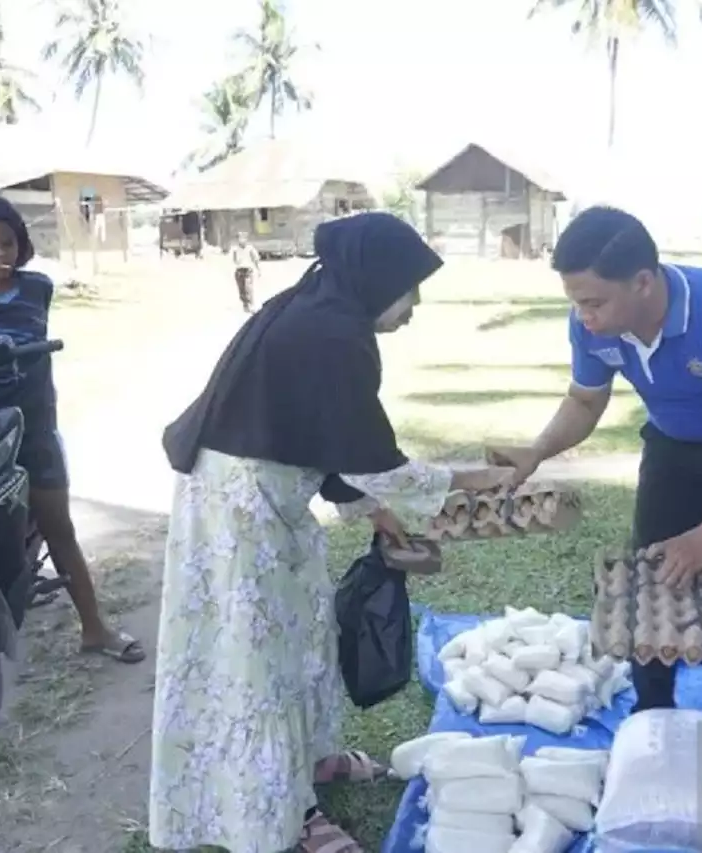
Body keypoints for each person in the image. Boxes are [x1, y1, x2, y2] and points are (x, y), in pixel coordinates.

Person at [150, 211, 516, 853]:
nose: (415, 305)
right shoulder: (328, 332)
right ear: (378, 279)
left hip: (273, 494)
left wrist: (376, 512)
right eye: (411, 287)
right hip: (240, 507)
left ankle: (312, 759)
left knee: (304, 632)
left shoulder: (322, 314)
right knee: (259, 662)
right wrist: (470, 480)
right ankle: (284, 817)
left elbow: (326, 430)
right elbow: (373, 460)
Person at [488, 206, 702, 720]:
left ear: (641, 283)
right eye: (576, 302)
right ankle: (655, 712)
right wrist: (537, 450)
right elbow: (586, 401)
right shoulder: (590, 323)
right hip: (672, 443)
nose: (584, 316)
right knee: (652, 576)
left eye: (593, 302)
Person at [0, 194, 143, 663]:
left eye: (8, 243)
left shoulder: (37, 289)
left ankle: (95, 628)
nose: (0, 254)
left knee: (60, 530)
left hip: (34, 431)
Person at [232, 231, 261, 312]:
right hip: (239, 270)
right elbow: (234, 260)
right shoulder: (235, 249)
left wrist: (258, 269)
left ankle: (251, 304)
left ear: (246, 239)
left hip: (248, 270)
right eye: (239, 238)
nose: (241, 240)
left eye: (243, 238)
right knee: (241, 290)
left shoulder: (250, 249)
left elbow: (256, 259)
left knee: (248, 288)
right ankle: (245, 305)